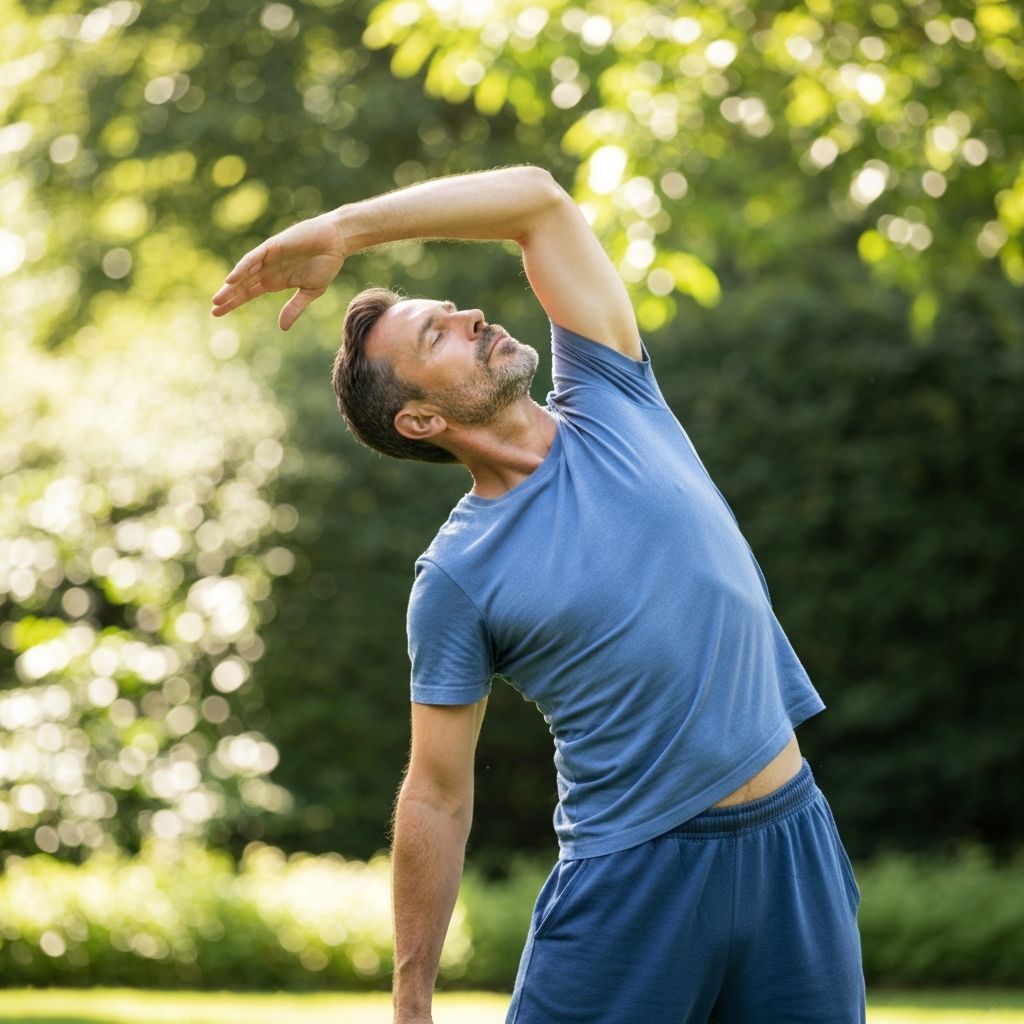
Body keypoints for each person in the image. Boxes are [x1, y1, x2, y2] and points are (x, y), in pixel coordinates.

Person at [211, 165, 865, 1024]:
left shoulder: (613, 395)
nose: (471, 315)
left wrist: (344, 230)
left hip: (793, 846)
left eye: (451, 308)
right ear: (420, 420)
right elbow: (437, 793)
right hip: (634, 879)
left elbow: (536, 199)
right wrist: (412, 997)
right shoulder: (456, 576)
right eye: (436, 334)